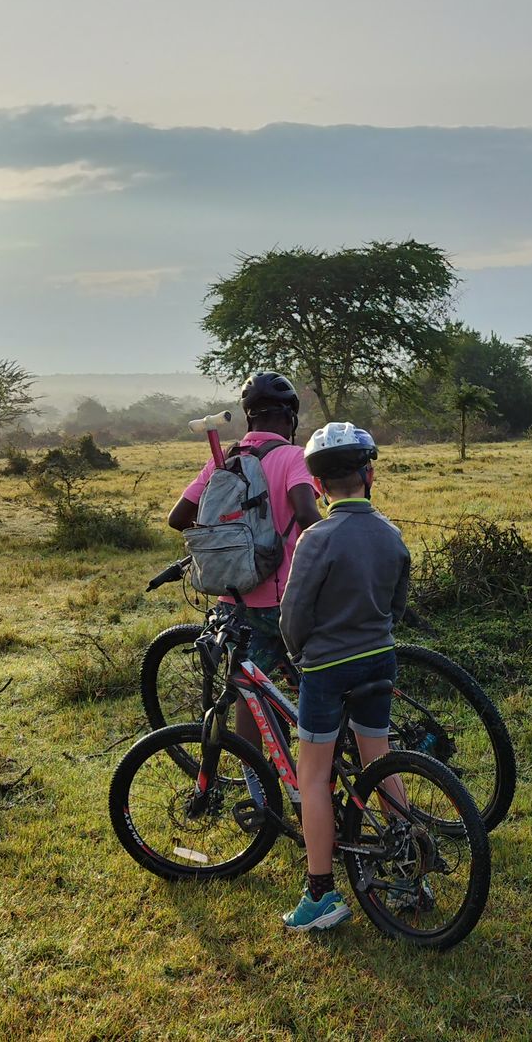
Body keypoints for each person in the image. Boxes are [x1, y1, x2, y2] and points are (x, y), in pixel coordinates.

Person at [275, 422, 411, 931]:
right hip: (381, 658)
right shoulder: (391, 534)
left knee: (313, 776)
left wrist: (296, 656)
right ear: (369, 474)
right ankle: (406, 865)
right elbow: (397, 604)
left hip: (327, 669)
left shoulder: (317, 537)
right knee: (380, 759)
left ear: (319, 488)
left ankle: (321, 893)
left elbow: (294, 613)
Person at [168, 371, 321, 743]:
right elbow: (307, 515)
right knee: (317, 685)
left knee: (249, 693)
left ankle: (258, 783)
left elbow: (178, 519)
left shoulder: (224, 461)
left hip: (233, 600)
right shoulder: (293, 457)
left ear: (249, 416)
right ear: (290, 417)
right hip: (288, 599)